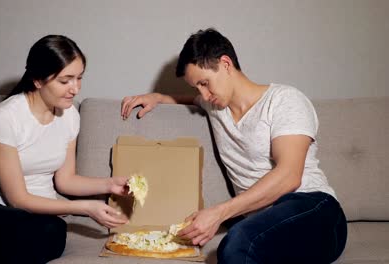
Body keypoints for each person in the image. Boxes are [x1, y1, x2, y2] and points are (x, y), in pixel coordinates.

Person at [121, 28, 347, 263]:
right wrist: (157, 97)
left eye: (205, 83)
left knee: (237, 243)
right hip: (264, 225)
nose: (204, 95)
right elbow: (186, 100)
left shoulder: (284, 100)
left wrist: (219, 213)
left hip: (313, 209)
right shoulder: (216, 107)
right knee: (246, 245)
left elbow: (289, 176)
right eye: (197, 87)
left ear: (226, 64)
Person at [0, 35, 129, 264]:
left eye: (79, 78)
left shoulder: (69, 116)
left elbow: (65, 181)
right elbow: (17, 199)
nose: (75, 89)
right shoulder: (6, 117)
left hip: (39, 221)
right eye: (65, 80)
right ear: (38, 80)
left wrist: (109, 184)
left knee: (50, 229)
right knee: (26, 232)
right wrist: (84, 208)